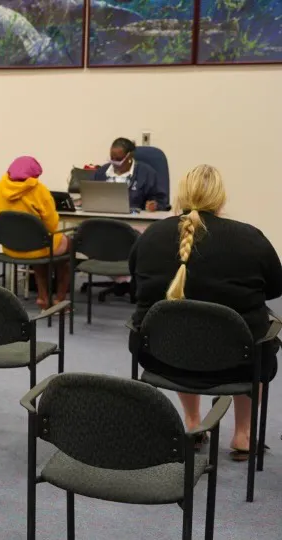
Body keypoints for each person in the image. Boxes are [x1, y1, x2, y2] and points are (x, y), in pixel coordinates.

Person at [129, 165, 282, 460]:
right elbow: (275, 289)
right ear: (220, 199)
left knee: (183, 332)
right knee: (259, 333)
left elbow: (137, 287)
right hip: (239, 362)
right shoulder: (251, 238)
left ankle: (192, 424)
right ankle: (243, 435)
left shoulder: (150, 236)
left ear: (180, 195)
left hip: (163, 356)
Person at [0, 156, 70, 309]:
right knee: (68, 245)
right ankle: (60, 300)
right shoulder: (40, 190)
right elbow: (52, 225)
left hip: (10, 248)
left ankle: (42, 297)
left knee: (37, 246)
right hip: (37, 248)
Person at [94, 137, 164, 211]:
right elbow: (91, 196)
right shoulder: (101, 172)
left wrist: (155, 205)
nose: (114, 163)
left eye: (118, 159)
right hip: (103, 218)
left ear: (130, 156)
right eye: (112, 158)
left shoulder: (147, 174)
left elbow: (161, 201)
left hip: (135, 220)